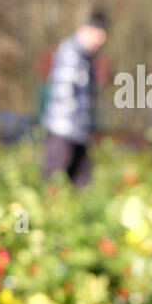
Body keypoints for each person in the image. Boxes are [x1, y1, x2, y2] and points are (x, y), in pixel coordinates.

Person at [41, 11, 108, 187]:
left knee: (82, 179)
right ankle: (44, 210)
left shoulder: (86, 57)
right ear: (88, 30)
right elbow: (64, 91)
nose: (100, 43)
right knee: (53, 176)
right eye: (98, 37)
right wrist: (75, 120)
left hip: (79, 130)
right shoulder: (71, 53)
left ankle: (78, 211)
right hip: (64, 129)